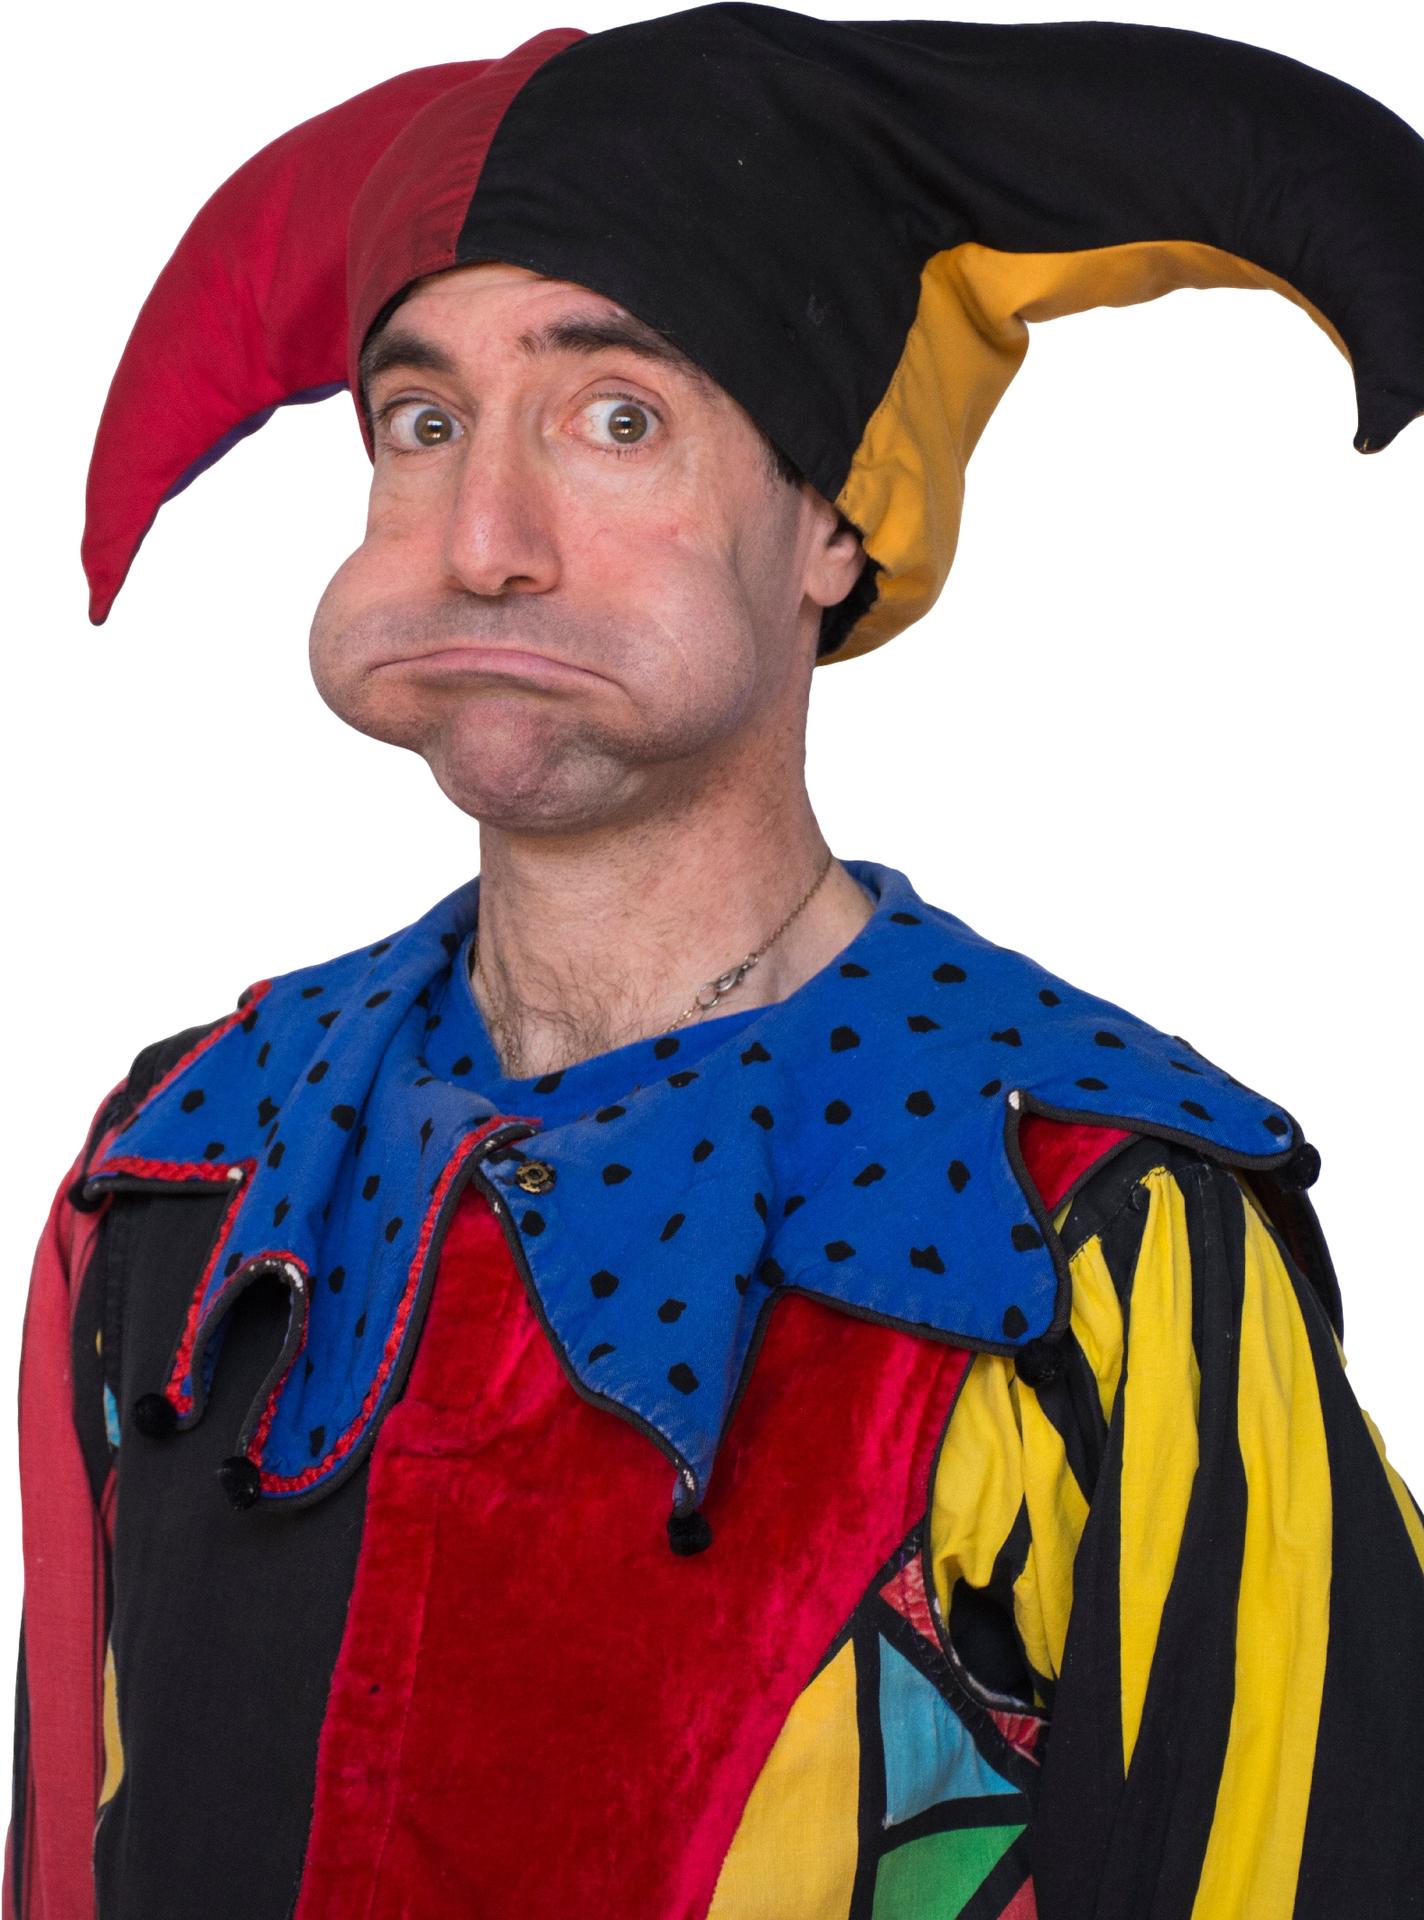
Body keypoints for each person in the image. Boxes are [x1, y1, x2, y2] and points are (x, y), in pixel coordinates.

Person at [8, 8, 1423, 1917]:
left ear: (833, 518)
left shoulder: (1090, 1232)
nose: (483, 539)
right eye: (424, 422)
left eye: (619, 419)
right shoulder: (181, 1163)